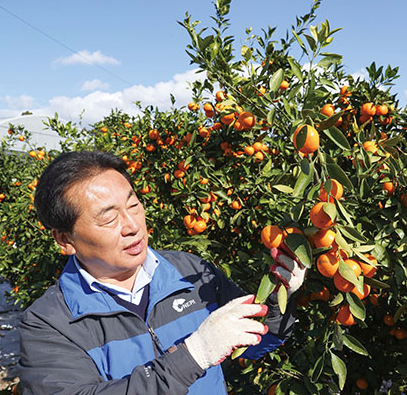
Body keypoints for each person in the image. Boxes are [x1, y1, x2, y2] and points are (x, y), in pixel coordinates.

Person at [18, 150, 306, 394]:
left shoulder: (190, 272)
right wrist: (192, 356)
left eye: (133, 205)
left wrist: (277, 297)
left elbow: (256, 343)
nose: (132, 225)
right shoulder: (49, 324)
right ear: (65, 240)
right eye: (108, 219)